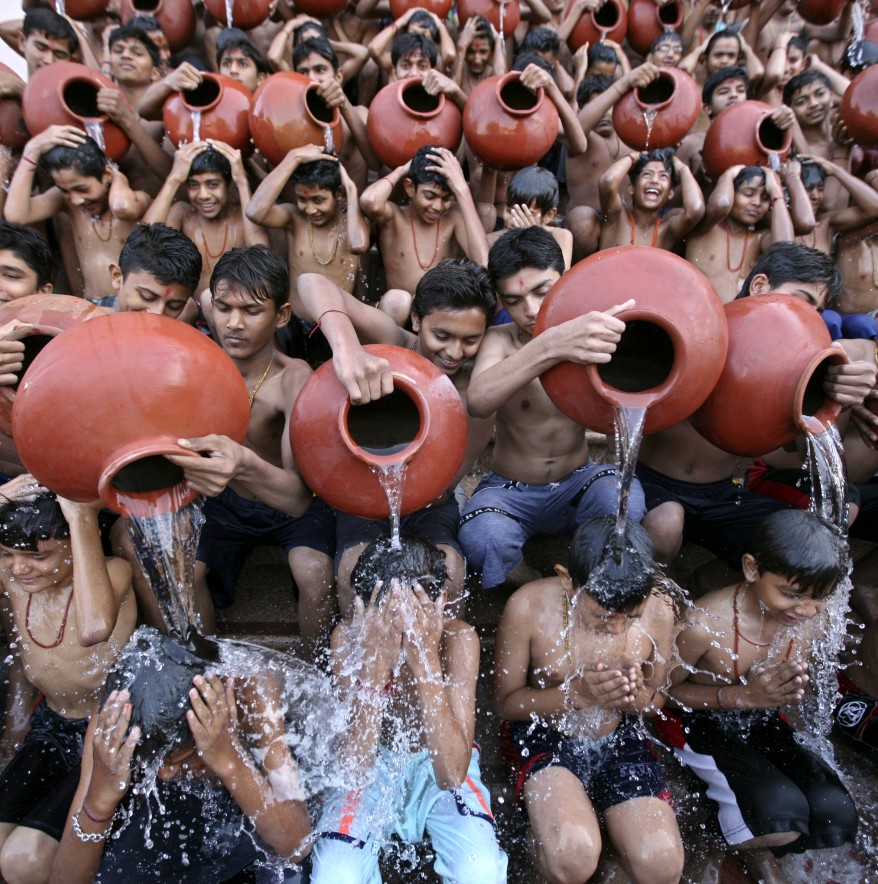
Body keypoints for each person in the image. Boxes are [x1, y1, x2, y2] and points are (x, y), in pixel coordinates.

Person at [637, 243, 876, 572]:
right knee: (666, 522)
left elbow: (796, 450)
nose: (806, 317)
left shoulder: (793, 365)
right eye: (801, 300)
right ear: (760, 285)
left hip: (724, 492)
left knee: (825, 523)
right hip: (654, 483)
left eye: (816, 311)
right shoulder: (697, 329)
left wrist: (836, 400)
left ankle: (717, 587)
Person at [660, 510, 858, 876]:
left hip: (761, 717)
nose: (806, 610)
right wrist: (738, 696)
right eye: (792, 594)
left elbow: (805, 684)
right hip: (695, 721)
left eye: (820, 599)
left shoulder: (817, 618)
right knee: (777, 814)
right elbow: (658, 695)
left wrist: (790, 687)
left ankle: (754, 830)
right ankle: (731, 841)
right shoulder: (705, 625)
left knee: (835, 814)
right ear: (752, 569)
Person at [296, 260, 496, 613]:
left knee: (451, 572)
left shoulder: (477, 390)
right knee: (350, 570)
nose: (454, 352)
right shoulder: (393, 343)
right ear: (417, 320)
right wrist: (346, 347)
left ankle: (443, 662)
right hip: (363, 490)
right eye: (442, 335)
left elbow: (445, 487)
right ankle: (355, 659)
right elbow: (311, 280)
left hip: (431, 501)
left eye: (470, 340)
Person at [164, 246, 336, 657]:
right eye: (223, 308)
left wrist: (242, 463)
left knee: (313, 571)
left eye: (252, 311)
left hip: (288, 501)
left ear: (281, 315)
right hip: (225, 502)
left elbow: (297, 498)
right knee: (186, 569)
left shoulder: (294, 379)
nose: (234, 324)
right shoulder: (194, 367)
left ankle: (317, 669)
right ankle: (205, 669)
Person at [495, 517, 685, 884]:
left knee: (662, 866)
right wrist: (577, 693)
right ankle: (547, 849)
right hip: (544, 734)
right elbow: (506, 703)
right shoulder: (528, 606)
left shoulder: (660, 610)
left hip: (619, 736)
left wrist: (635, 697)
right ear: (568, 580)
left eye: (631, 617)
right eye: (600, 614)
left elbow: (656, 698)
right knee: (572, 857)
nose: (615, 627)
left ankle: (612, 858)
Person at [309, 536, 508, 883]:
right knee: (334, 874)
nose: (400, 630)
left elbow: (450, 775)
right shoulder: (349, 637)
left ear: (442, 602)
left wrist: (426, 662)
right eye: (387, 617)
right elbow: (354, 770)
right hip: (372, 764)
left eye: (413, 616)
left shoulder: (458, 640)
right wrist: (373, 673)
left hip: (438, 771)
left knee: (482, 871)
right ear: (362, 610)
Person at [459, 227, 645, 589]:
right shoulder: (499, 339)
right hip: (509, 490)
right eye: (513, 300)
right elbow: (479, 401)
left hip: (577, 481)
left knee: (625, 499)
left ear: (565, 280)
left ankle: (586, 578)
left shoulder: (592, 332)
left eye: (542, 292)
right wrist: (550, 345)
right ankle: (531, 585)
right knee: (483, 537)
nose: (529, 310)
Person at [47, 642, 312, 882]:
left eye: (178, 760)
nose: (164, 774)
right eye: (153, 763)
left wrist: (230, 758)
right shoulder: (114, 719)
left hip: (258, 796)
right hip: (187, 803)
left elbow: (298, 845)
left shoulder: (254, 690)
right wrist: (99, 799)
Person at [0, 476, 136, 883]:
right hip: (52, 726)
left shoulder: (114, 573)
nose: (20, 568)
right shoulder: (13, 578)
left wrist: (80, 516)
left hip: (104, 735)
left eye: (38, 557)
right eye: (7, 554)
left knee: (23, 863)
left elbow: (94, 627)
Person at [5, 131, 150, 298]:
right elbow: (16, 215)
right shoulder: (67, 203)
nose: (75, 200)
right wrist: (31, 152)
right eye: (64, 190)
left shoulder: (138, 199)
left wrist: (118, 177)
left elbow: (123, 207)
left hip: (127, 307)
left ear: (107, 175)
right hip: (91, 306)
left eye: (82, 189)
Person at [360, 144, 488, 325]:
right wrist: (403, 169)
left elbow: (483, 263)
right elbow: (369, 201)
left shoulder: (454, 220)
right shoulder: (395, 217)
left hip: (439, 315)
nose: (437, 206)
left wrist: (462, 189)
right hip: (398, 317)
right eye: (430, 196)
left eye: (446, 198)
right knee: (398, 300)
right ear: (410, 188)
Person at [144, 140, 269, 295]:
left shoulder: (242, 217)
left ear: (229, 185)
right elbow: (144, 240)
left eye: (213, 185)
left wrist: (242, 182)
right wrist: (173, 180)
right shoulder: (183, 213)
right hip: (191, 309)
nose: (203, 195)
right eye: (194, 185)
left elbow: (262, 255)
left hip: (231, 309)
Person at [246, 147, 369, 295]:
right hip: (295, 317)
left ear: (339, 193)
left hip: (336, 317)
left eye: (318, 200)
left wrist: (351, 189)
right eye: (302, 199)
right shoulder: (294, 218)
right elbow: (254, 212)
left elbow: (359, 245)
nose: (310, 210)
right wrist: (293, 158)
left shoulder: (351, 224)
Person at [685, 165, 795, 303]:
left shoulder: (759, 239)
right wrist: (729, 174)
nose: (756, 203)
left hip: (739, 320)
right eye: (748, 194)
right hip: (699, 315)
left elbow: (786, 248)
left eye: (765, 198)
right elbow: (722, 204)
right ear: (731, 192)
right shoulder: (705, 227)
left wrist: (776, 192)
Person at [90, 222, 202, 320]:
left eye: (174, 306)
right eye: (147, 297)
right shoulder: (82, 320)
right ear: (117, 276)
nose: (158, 313)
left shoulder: (184, 333)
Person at [599, 148, 705, 252]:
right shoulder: (615, 219)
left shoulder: (668, 230)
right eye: (647, 174)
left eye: (663, 176)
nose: (654, 180)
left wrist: (683, 169)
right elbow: (608, 182)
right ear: (631, 188)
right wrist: (634, 157)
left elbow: (695, 209)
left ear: (670, 193)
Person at [481, 165, 573, 269]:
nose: (514, 219)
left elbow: (561, 277)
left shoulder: (561, 237)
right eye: (509, 211)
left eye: (525, 213)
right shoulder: (491, 241)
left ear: (548, 215)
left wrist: (532, 237)